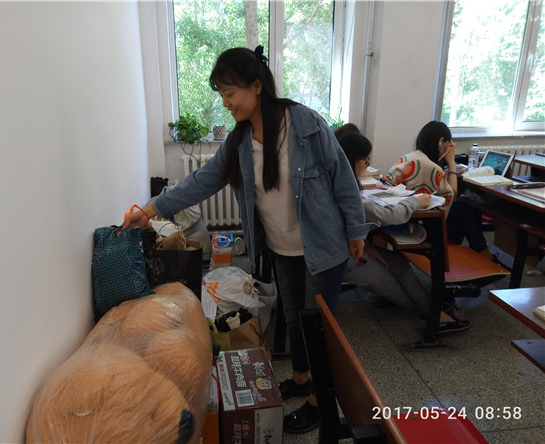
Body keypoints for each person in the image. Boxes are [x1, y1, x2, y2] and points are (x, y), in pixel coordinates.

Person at [122, 46, 372, 434]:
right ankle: (302, 378)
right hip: (282, 247)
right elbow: (202, 180)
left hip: (324, 246)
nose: (226, 102)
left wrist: (356, 230)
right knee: (294, 316)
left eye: (230, 92)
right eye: (221, 94)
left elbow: (342, 177)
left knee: (319, 325)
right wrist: (152, 209)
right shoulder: (239, 141)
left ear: (256, 86)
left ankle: (318, 401)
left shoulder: (304, 123)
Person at [336, 128, 469, 333]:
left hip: (354, 248)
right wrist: (415, 202)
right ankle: (433, 315)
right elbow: (384, 215)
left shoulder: (344, 181)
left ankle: (432, 311)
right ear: (353, 160)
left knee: (400, 263)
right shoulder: (344, 189)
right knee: (394, 289)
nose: (366, 166)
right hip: (346, 258)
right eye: (366, 162)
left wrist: (370, 248)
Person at [384, 121, 491, 258]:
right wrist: (451, 164)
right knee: (462, 208)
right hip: (412, 223)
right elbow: (451, 195)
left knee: (462, 211)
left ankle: (468, 253)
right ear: (441, 141)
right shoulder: (428, 165)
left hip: (399, 213)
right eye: (448, 143)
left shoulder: (413, 157)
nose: (450, 147)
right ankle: (479, 253)